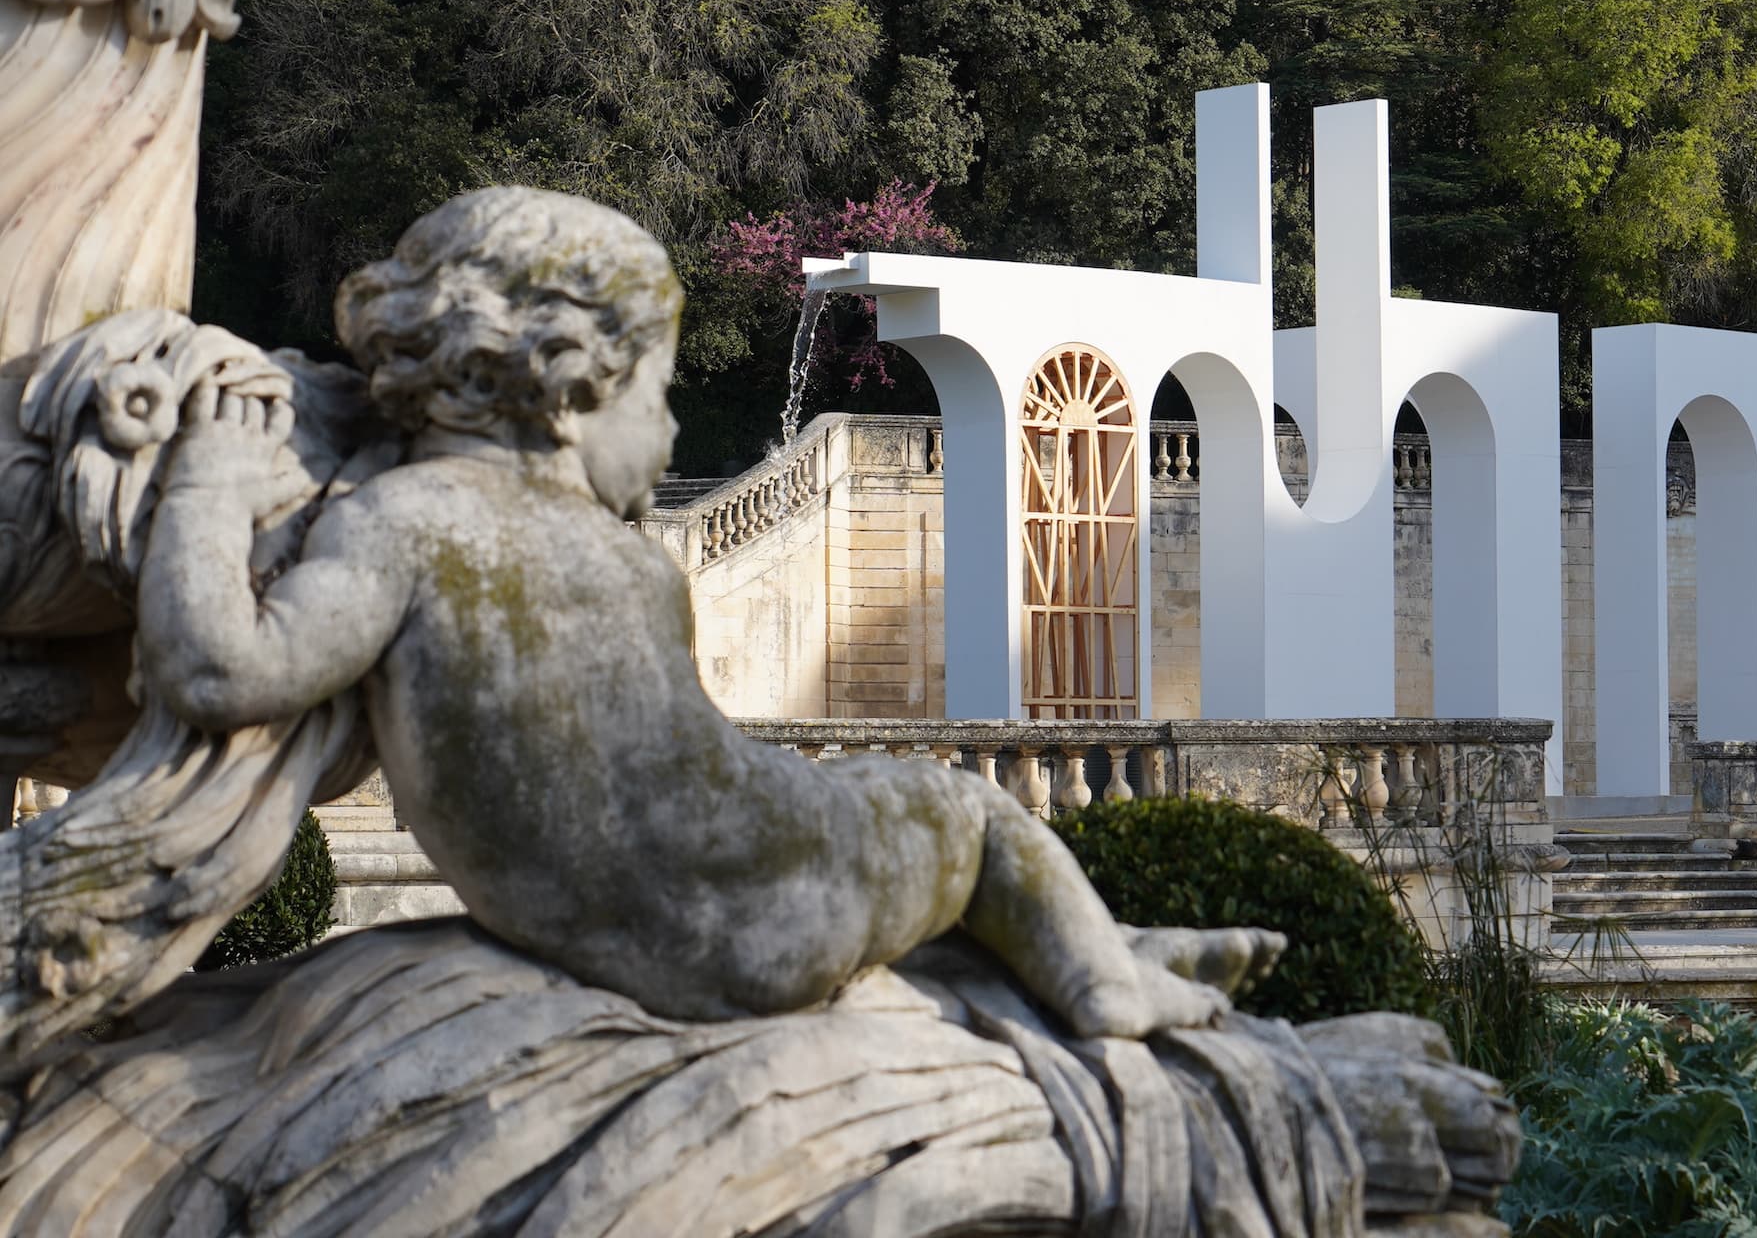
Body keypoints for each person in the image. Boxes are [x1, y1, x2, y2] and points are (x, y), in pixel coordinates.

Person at [134, 186, 1283, 1039]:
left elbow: (227, 666)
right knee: (968, 815)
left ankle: (1104, 949)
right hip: (759, 899)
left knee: (911, 832)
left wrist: (202, 485)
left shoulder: (397, 524)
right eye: (660, 393)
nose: (676, 432)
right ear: (569, 387)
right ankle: (1104, 976)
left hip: (655, 920)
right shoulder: (608, 558)